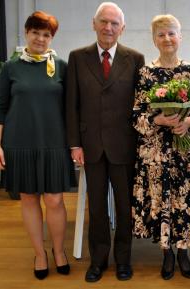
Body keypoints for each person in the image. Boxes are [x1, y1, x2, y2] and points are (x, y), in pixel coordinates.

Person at [66, 2, 144, 282]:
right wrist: (75, 144)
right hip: (91, 147)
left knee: (125, 207)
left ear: (122, 28)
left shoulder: (135, 58)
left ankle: (123, 260)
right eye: (104, 22)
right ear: (94, 24)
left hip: (124, 147)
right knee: (96, 208)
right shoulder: (77, 57)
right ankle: (97, 261)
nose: (108, 27)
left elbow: (141, 106)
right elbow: (71, 104)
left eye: (114, 23)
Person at [0, 11, 72, 280]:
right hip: (19, 143)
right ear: (26, 33)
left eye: (46, 34)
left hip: (54, 143)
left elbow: (71, 109)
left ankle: (59, 251)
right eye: (35, 32)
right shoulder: (11, 68)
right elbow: (0, 108)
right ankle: (40, 254)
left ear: (52, 38)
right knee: (28, 199)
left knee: (54, 199)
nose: (40, 38)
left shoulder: (61, 66)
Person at [131, 14, 190, 281]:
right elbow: (137, 115)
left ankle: (184, 252)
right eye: (161, 34)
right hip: (155, 151)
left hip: (184, 148)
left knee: (184, 198)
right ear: (154, 39)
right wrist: (158, 119)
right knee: (161, 198)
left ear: (180, 36)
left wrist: (188, 121)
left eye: (172, 33)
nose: (167, 39)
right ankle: (166, 253)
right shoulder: (145, 73)